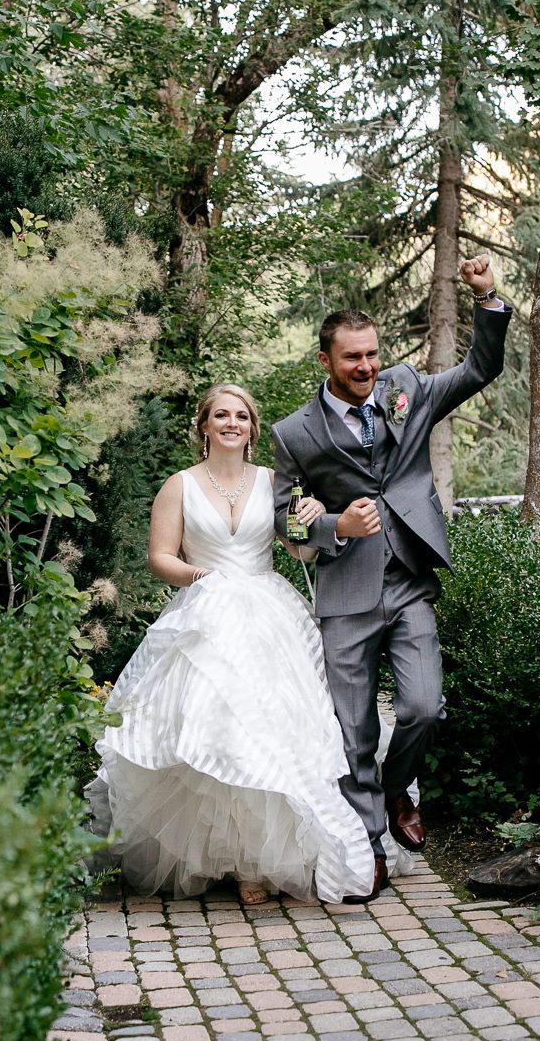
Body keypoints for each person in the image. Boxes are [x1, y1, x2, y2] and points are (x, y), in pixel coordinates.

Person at [271, 256, 511, 901]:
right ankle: (372, 846)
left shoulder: (407, 390)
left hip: (409, 580)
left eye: (372, 354)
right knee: (354, 732)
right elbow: (282, 517)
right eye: (352, 357)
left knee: (423, 707)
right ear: (325, 360)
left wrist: (485, 297)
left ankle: (399, 786)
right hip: (346, 593)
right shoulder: (294, 433)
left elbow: (479, 369)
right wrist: (335, 527)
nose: (366, 367)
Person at [86, 384, 377, 905]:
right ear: (204, 425)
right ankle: (216, 855)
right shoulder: (179, 485)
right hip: (206, 613)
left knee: (267, 729)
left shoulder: (273, 482)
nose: (232, 423)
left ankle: (255, 864)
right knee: (213, 731)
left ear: (252, 429)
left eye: (241, 416)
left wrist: (311, 516)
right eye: (221, 415)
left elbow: (299, 552)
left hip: (270, 617)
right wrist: (201, 578)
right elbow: (161, 556)